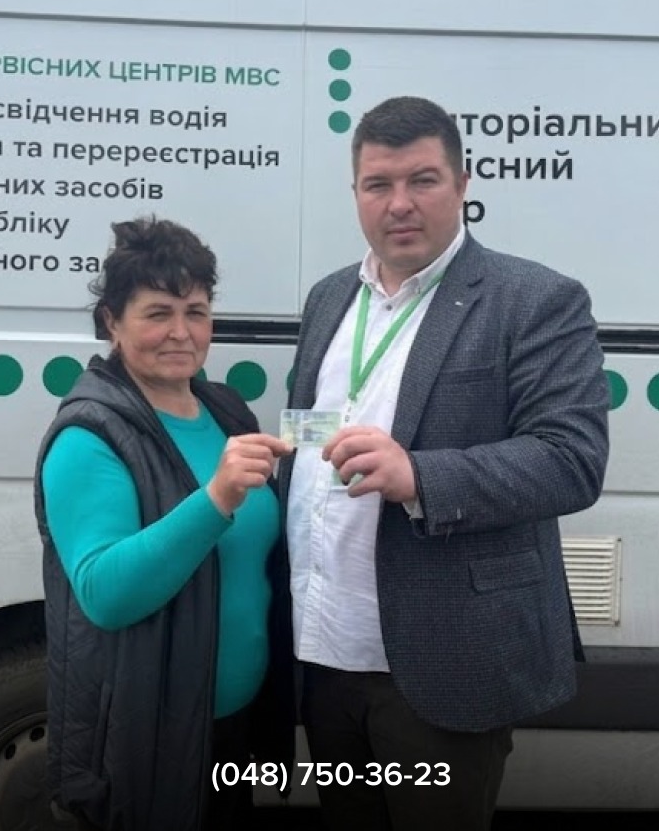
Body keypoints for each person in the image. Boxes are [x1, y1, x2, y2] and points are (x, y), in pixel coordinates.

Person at [281, 95, 610, 831]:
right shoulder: (329, 298)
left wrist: (420, 477)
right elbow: (313, 433)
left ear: (462, 185)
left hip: (441, 661)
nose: (399, 203)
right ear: (356, 193)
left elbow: (572, 458)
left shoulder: (534, 299)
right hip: (324, 651)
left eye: (422, 180)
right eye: (378, 184)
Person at [33, 216, 295, 831]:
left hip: (233, 728)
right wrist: (216, 498)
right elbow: (106, 594)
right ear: (112, 322)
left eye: (196, 312)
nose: (181, 332)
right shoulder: (88, 435)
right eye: (157, 313)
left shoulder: (225, 410)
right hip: (148, 739)